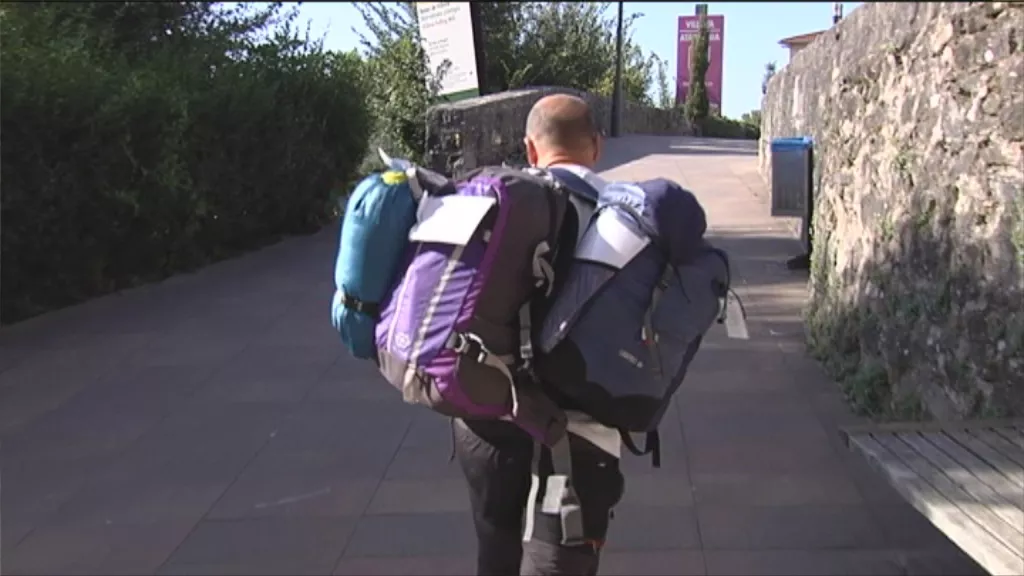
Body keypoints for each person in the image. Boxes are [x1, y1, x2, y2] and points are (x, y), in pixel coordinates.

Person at [453, 93, 624, 576]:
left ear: (530, 149)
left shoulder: (497, 205)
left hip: (488, 412)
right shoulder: (622, 215)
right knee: (561, 559)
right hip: (579, 431)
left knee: (496, 547)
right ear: (597, 146)